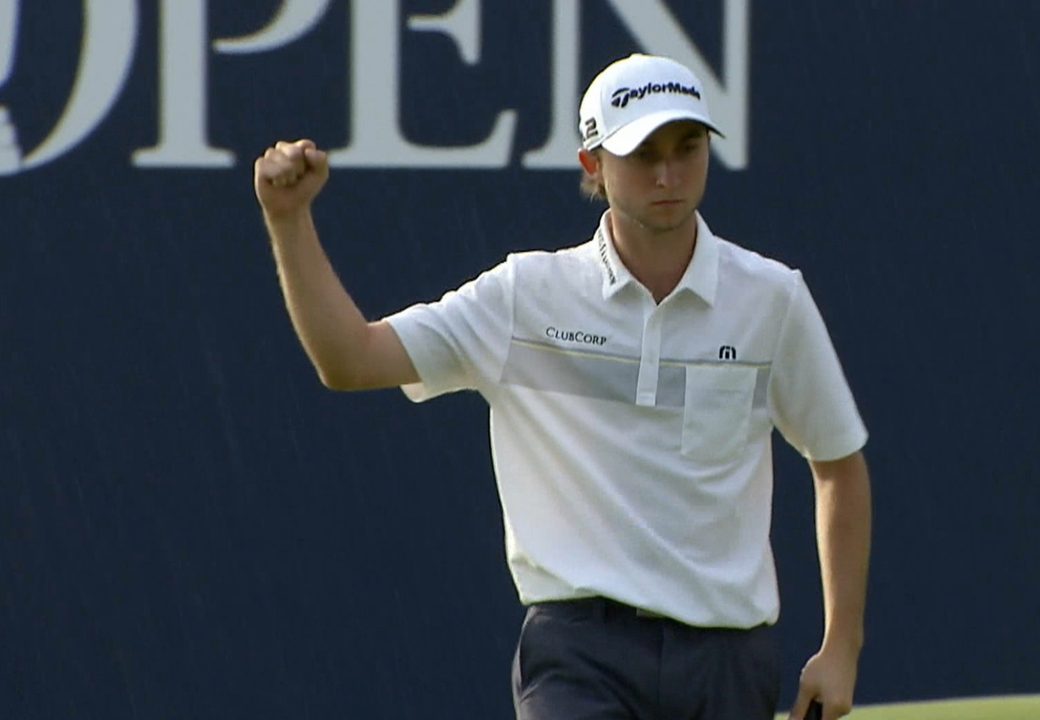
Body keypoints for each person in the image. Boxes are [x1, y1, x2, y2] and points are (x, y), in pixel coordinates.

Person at [254, 53, 871, 720]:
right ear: (593, 166)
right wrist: (289, 222)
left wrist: (841, 646)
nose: (668, 175)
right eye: (642, 154)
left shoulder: (772, 298)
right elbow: (351, 359)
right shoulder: (525, 295)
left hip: (727, 660)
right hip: (580, 655)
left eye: (686, 149)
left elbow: (837, 464)